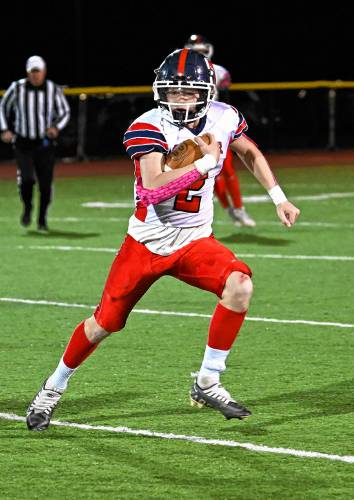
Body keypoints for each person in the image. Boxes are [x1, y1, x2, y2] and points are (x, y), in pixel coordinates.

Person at [25, 49, 300, 430]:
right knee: (104, 323)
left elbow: (248, 151)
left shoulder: (224, 116)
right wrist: (204, 163)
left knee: (240, 286)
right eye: (173, 92)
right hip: (146, 244)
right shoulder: (147, 126)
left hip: (194, 241)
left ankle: (208, 380)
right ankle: (53, 387)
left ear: (206, 92)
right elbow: (153, 189)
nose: (180, 100)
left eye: (188, 93)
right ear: (160, 91)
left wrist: (278, 197)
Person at [185, 34, 256, 227]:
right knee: (210, 172)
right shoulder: (182, 72)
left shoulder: (217, 71)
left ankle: (239, 209)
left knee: (227, 168)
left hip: (215, 124)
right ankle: (229, 209)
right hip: (190, 127)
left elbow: (225, 92)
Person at [0, 55, 70, 231]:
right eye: (32, 72)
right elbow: (3, 106)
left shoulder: (52, 89)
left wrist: (56, 127)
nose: (35, 75)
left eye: (38, 72)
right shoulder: (17, 87)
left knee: (45, 185)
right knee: (27, 179)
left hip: (44, 144)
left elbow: (65, 111)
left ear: (44, 72)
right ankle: (27, 207)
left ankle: (42, 219)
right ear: (27, 73)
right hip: (23, 142)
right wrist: (5, 129)